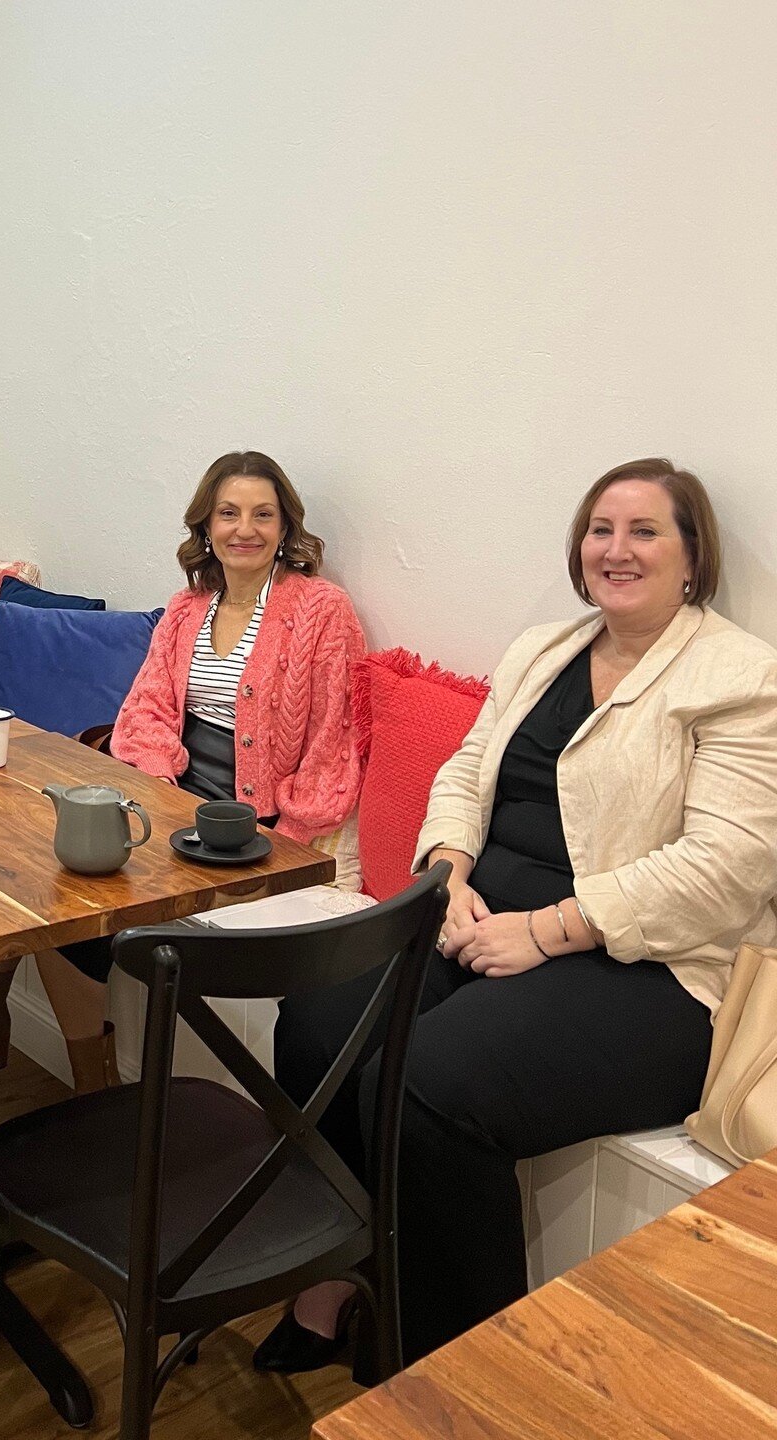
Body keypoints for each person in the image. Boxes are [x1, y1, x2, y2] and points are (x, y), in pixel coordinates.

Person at [262, 458, 777, 1373]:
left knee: (426, 1084)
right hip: (477, 919)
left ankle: (455, 1369)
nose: (616, 549)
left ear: (693, 559)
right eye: (600, 529)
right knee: (318, 1022)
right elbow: (466, 772)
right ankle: (338, 1280)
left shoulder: (740, 677)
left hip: (645, 968)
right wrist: (447, 872)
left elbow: (726, 870)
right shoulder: (547, 649)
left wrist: (546, 930)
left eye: (645, 531)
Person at [0, 450, 366, 1092]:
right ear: (207, 525)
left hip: (247, 827)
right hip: (172, 806)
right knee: (29, 863)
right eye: (229, 513)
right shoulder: (190, 608)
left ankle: (68, 1073)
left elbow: (335, 737)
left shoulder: (321, 611)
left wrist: (284, 841)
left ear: (285, 528)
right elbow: (146, 711)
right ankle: (5, 1038)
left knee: (65, 896)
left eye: (262, 514)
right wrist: (158, 792)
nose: (244, 529)